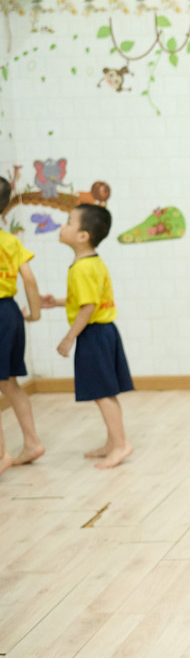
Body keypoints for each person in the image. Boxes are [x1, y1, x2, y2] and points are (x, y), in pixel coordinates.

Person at [41, 205, 133, 469]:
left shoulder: (81, 268)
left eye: (69, 222)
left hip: (93, 334)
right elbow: (88, 299)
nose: (62, 226)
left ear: (83, 236)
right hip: (105, 331)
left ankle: (120, 445)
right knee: (105, 392)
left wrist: (69, 337)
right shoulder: (93, 262)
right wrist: (57, 302)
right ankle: (113, 442)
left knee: (102, 393)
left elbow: (88, 307)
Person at [0, 176, 45, 475]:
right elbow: (28, 278)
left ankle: (2, 454)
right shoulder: (11, 241)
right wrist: (35, 313)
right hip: (10, 312)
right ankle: (32, 442)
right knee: (9, 384)